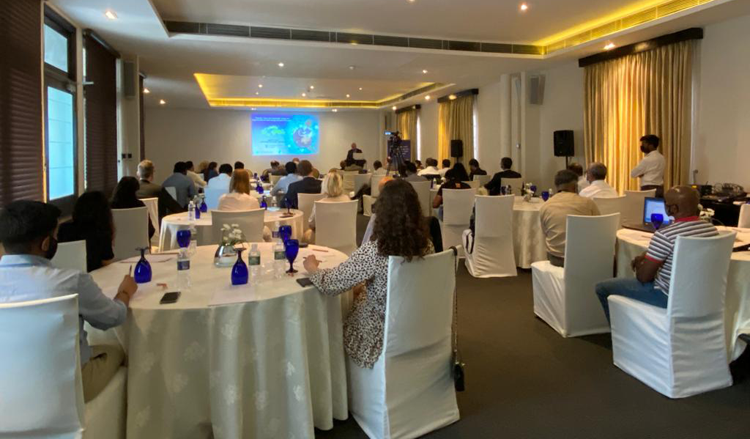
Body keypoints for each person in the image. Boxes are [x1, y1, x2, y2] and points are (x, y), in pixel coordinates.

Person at [0, 200, 137, 402]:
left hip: (7, 384)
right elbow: (112, 318)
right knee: (120, 350)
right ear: (46, 243)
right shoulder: (70, 281)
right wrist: (124, 293)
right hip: (66, 386)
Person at [303, 179, 433, 368]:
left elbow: (330, 284)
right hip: (416, 325)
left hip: (377, 338)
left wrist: (312, 267)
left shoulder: (375, 251)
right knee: (358, 291)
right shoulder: (427, 246)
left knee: (337, 315)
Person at [595, 186, 718, 322]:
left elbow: (644, 278)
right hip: (701, 297)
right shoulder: (711, 230)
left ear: (673, 209)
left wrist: (640, 263)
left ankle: (622, 331)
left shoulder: (665, 235)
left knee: (602, 288)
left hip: (667, 296)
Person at [539, 170, 600, 267]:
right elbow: (598, 227)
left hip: (556, 258)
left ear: (556, 186)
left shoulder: (545, 206)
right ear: (575, 186)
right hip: (584, 257)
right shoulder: (588, 203)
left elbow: (545, 233)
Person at [57, 192, 115, 272]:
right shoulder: (102, 234)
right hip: (93, 276)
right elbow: (107, 264)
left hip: (65, 275)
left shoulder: (64, 229)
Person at [304, 171, 350, 242]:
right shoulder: (347, 200)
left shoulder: (319, 204)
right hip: (344, 239)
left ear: (324, 185)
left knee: (305, 235)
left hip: (322, 242)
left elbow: (311, 225)